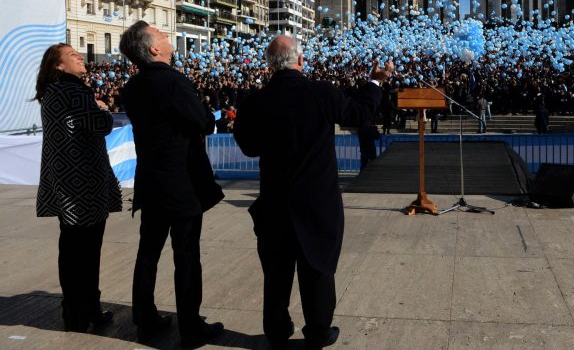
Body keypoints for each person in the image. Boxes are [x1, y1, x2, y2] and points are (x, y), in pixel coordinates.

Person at [233, 36, 393, 350]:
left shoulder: (255, 100)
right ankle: (318, 332)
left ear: (269, 65)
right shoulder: (321, 92)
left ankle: (277, 331)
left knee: (276, 272)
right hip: (316, 202)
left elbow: (249, 147)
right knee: (317, 269)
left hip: (275, 202)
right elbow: (359, 115)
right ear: (300, 60)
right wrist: (375, 81)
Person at [119, 21, 225, 347]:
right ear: (154, 49)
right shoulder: (173, 81)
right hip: (181, 184)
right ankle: (190, 327)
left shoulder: (132, 87)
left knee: (148, 253)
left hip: (151, 181)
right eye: (162, 35)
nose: (168, 37)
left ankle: (145, 319)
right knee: (187, 256)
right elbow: (204, 122)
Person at [35, 43, 122, 332]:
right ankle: (85, 311)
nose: (80, 57)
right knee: (86, 252)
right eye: (72, 55)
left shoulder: (52, 91)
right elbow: (99, 125)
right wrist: (103, 109)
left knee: (72, 250)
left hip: (66, 181)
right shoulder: (74, 90)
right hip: (83, 185)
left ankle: (76, 312)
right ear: (58, 65)